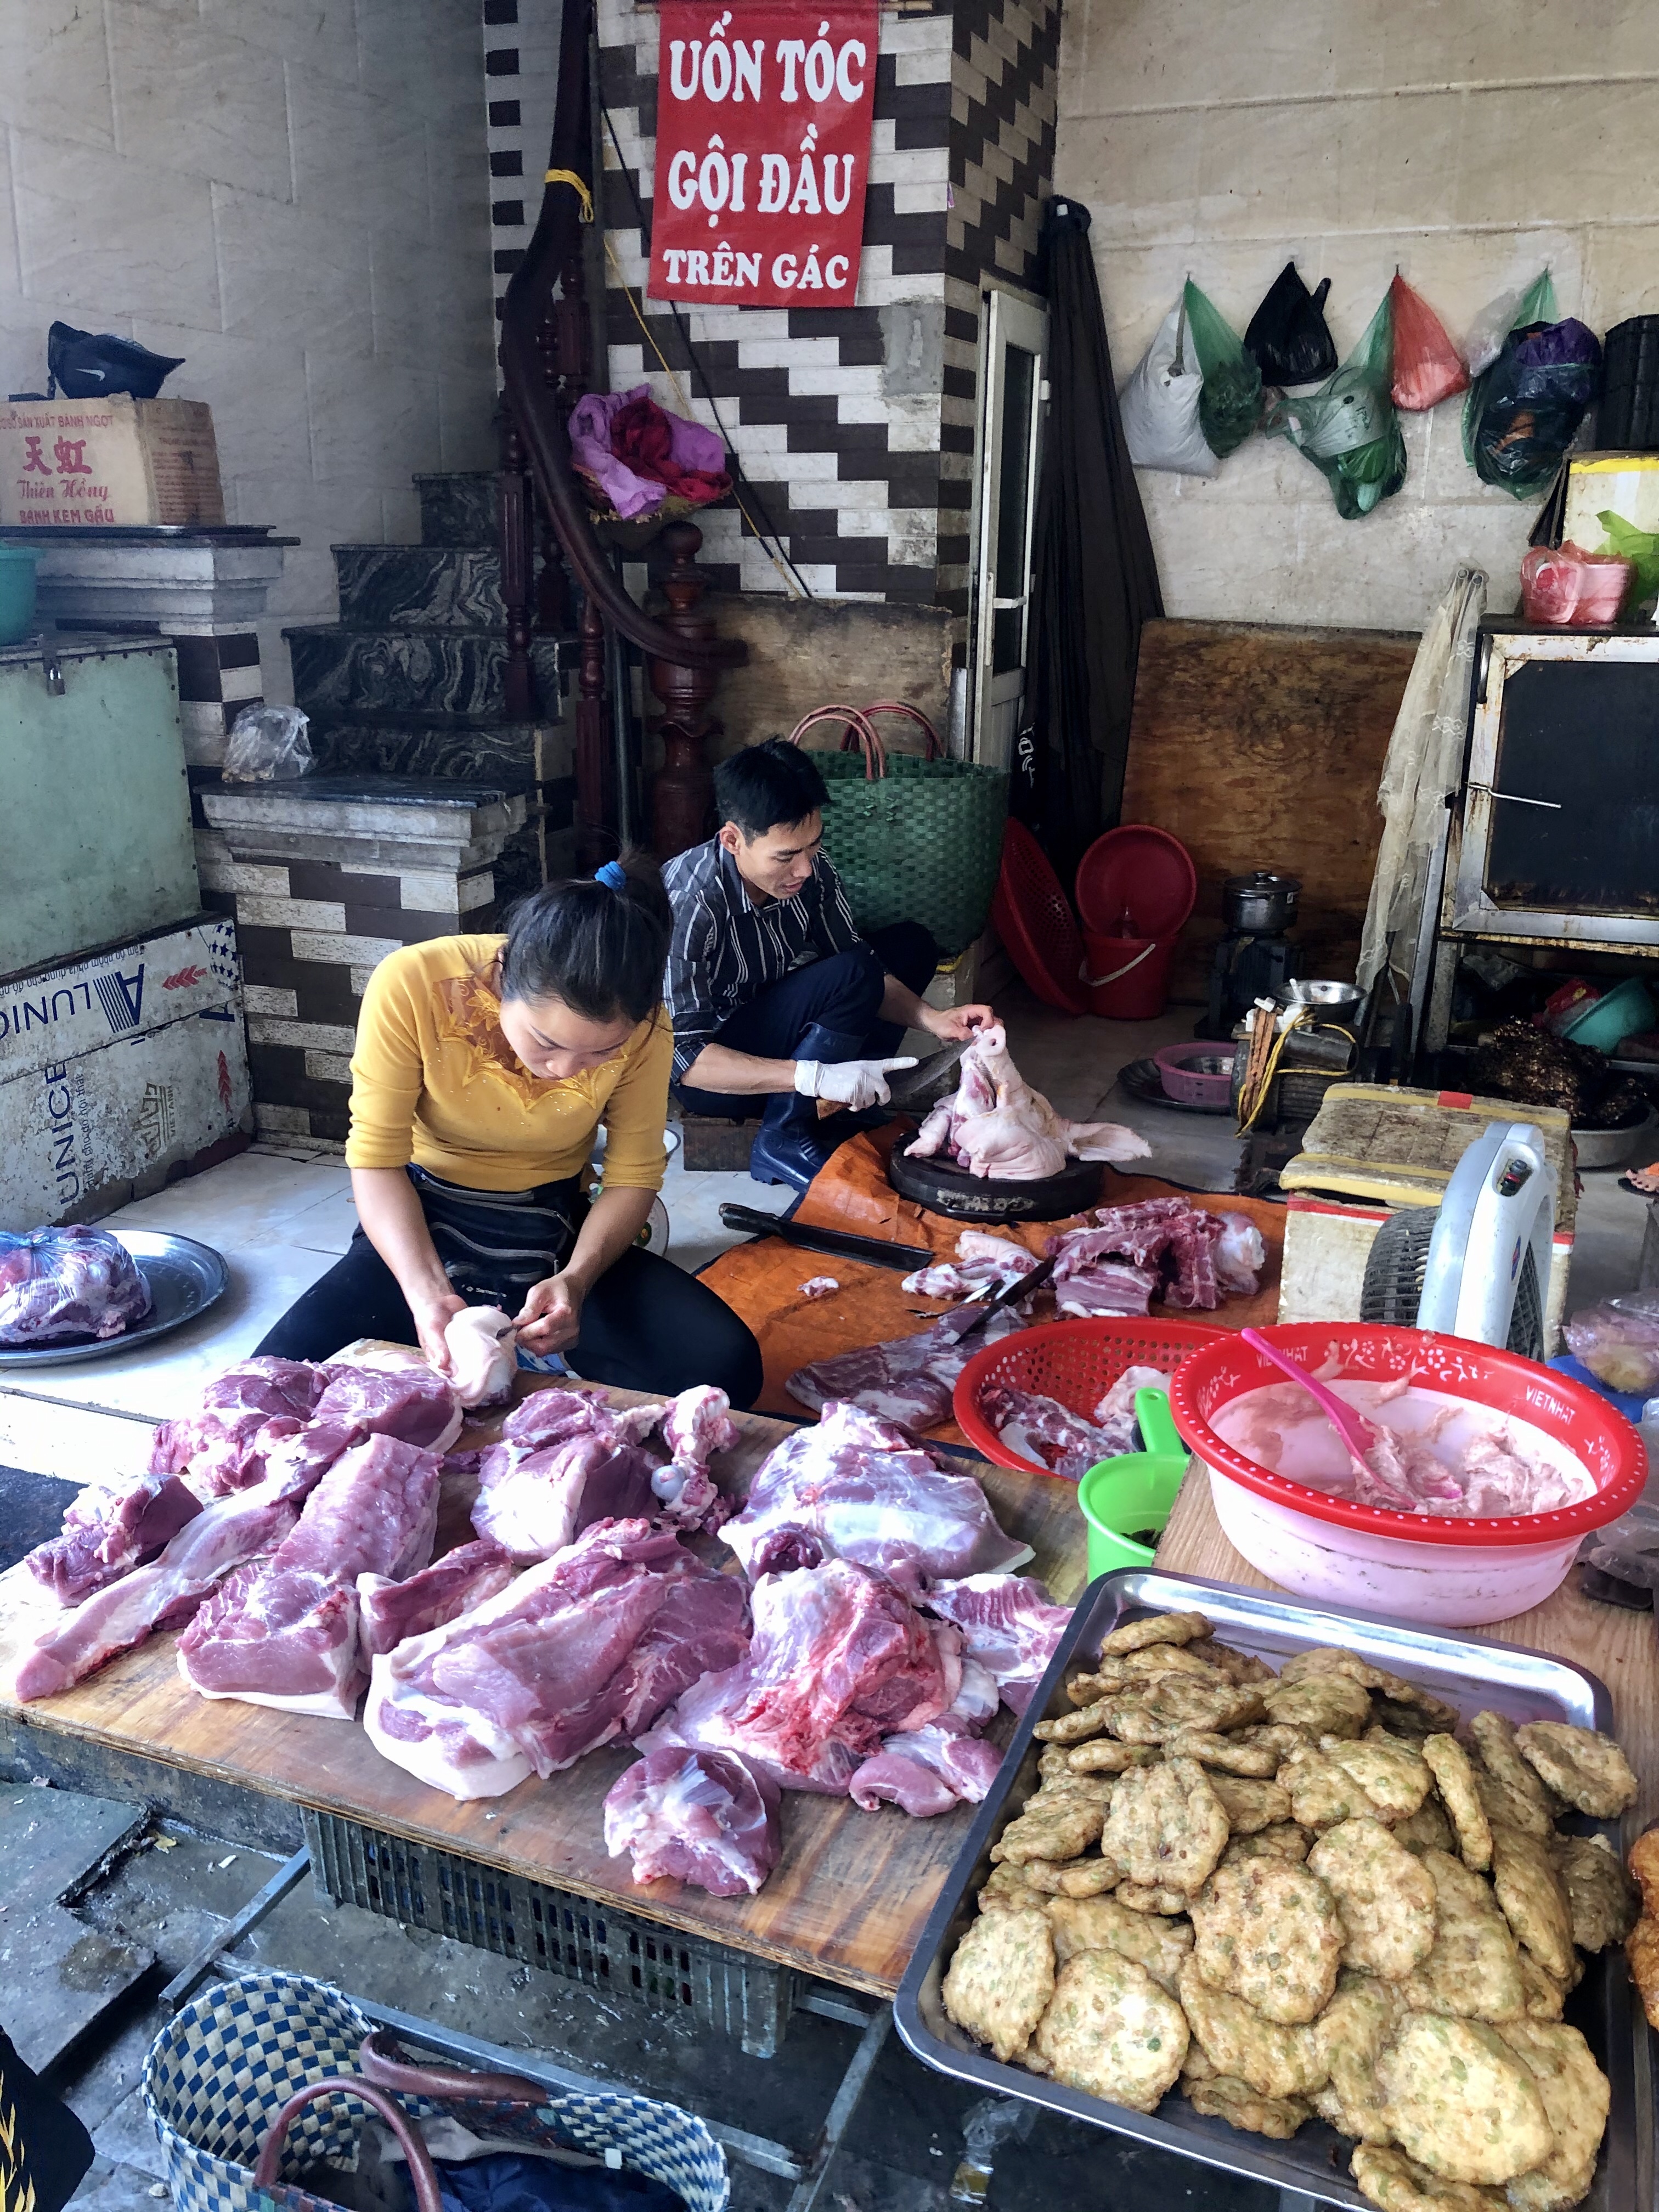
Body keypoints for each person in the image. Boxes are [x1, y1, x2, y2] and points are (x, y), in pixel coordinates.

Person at [256, 857, 763, 1406]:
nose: (564, 1071)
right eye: (546, 1042)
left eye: (600, 1054)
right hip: (426, 1217)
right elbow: (376, 1158)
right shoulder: (413, 983)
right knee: (273, 1387)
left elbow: (632, 1176)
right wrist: (426, 1295)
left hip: (552, 1224)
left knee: (725, 1366)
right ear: (504, 975)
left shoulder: (648, 1027)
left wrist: (577, 1281)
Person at [664, 738, 995, 1191]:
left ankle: (846, 1102)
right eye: (786, 856)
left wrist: (934, 1020)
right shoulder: (689, 901)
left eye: (813, 845)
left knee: (910, 946)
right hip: (716, 1076)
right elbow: (684, 1059)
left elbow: (860, 960)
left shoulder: (812, 872)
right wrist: (816, 1076)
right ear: (733, 840)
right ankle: (784, 1135)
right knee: (853, 973)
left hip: (775, 1031)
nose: (804, 868)